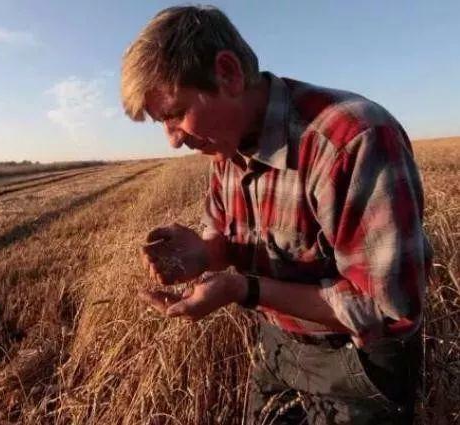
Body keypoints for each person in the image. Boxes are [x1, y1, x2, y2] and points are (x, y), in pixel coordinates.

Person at [120, 5, 432, 425]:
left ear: (228, 74)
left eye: (174, 114)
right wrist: (204, 255)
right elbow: (232, 242)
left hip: (359, 365)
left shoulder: (351, 140)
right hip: (278, 346)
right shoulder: (224, 148)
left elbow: (387, 309)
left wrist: (241, 289)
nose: (173, 140)